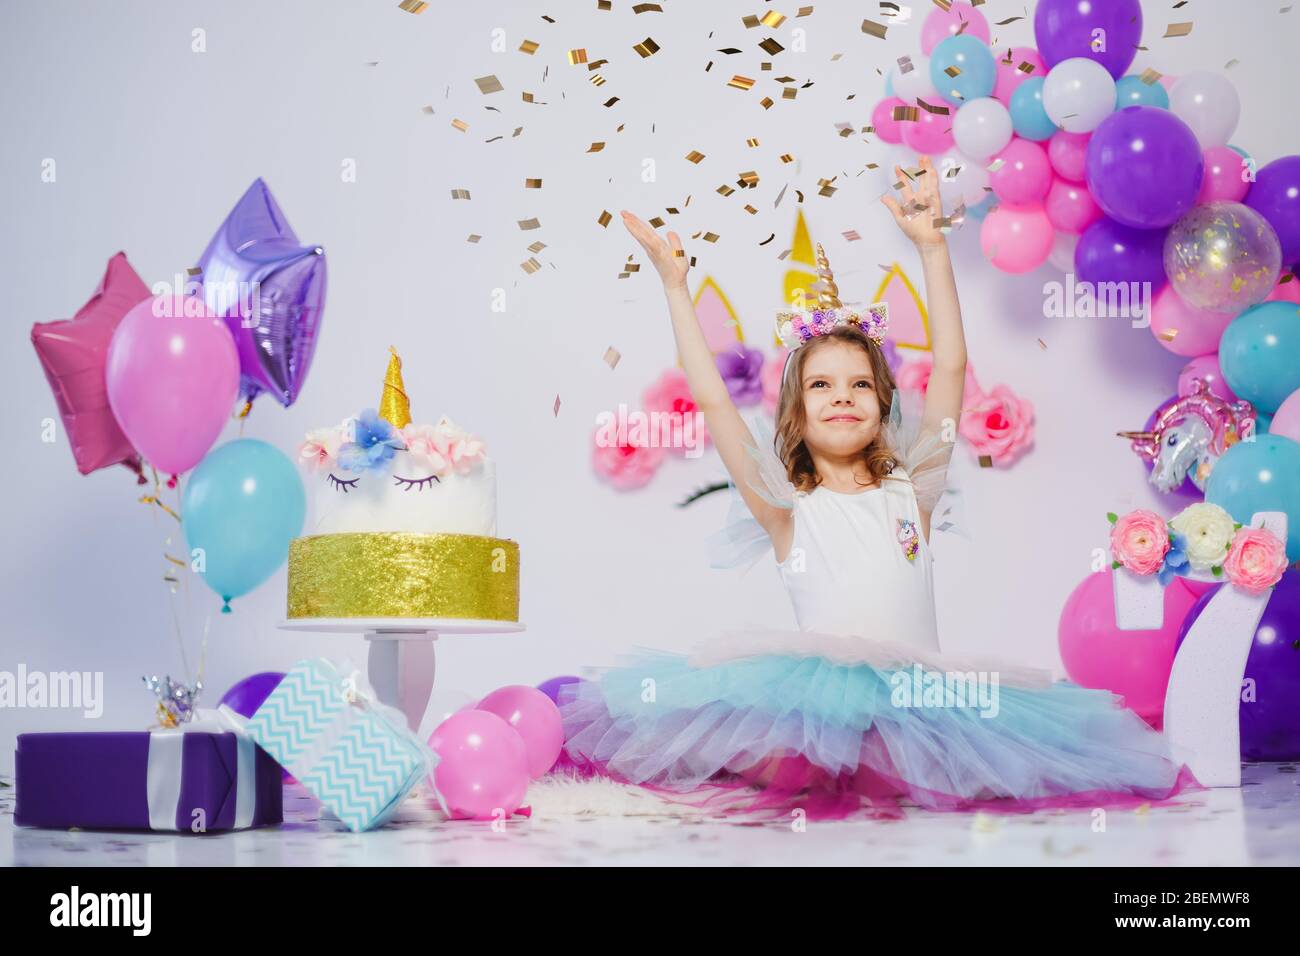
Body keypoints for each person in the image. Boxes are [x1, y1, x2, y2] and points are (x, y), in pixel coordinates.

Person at [559, 157, 1202, 820]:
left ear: (885, 401)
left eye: (859, 383)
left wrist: (932, 249)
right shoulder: (784, 508)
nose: (843, 397)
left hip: (921, 704)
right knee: (802, 781)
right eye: (821, 385)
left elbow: (951, 365)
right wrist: (674, 288)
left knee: (937, 791)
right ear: (795, 413)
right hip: (815, 703)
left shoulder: (912, 491)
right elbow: (715, 403)